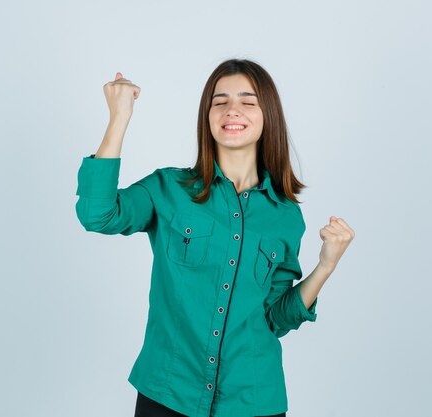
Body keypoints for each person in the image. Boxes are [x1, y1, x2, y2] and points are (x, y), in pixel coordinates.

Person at [75, 58, 355, 417]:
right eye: (219, 101)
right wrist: (119, 118)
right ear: (207, 117)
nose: (232, 110)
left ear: (267, 115)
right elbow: (97, 214)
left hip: (252, 402)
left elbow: (275, 318)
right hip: (167, 394)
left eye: (248, 101)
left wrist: (325, 266)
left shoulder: (285, 216)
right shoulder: (169, 189)